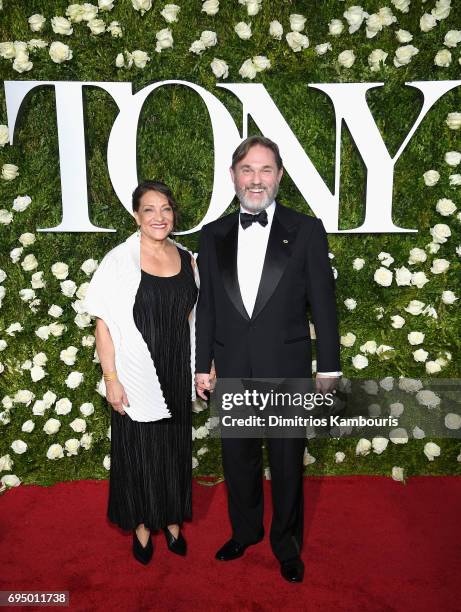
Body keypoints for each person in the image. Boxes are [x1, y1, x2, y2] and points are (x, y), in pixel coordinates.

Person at [195, 136, 341, 583]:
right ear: (234, 175)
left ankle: (287, 545)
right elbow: (209, 308)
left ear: (279, 176)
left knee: (286, 463)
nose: (256, 179)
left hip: (287, 368)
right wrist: (203, 364)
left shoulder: (307, 229)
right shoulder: (213, 234)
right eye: (247, 169)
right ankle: (245, 532)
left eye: (265, 170)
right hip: (233, 367)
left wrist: (330, 366)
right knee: (237, 459)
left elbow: (323, 303)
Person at [83, 180, 201, 565]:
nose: (159, 216)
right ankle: (142, 526)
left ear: (173, 214)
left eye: (165, 208)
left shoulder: (188, 259)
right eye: (149, 209)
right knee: (139, 451)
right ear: (136, 215)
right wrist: (111, 379)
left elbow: (194, 319)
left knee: (174, 448)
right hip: (135, 371)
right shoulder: (118, 260)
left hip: (176, 368)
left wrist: (203, 365)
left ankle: (171, 519)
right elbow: (104, 325)